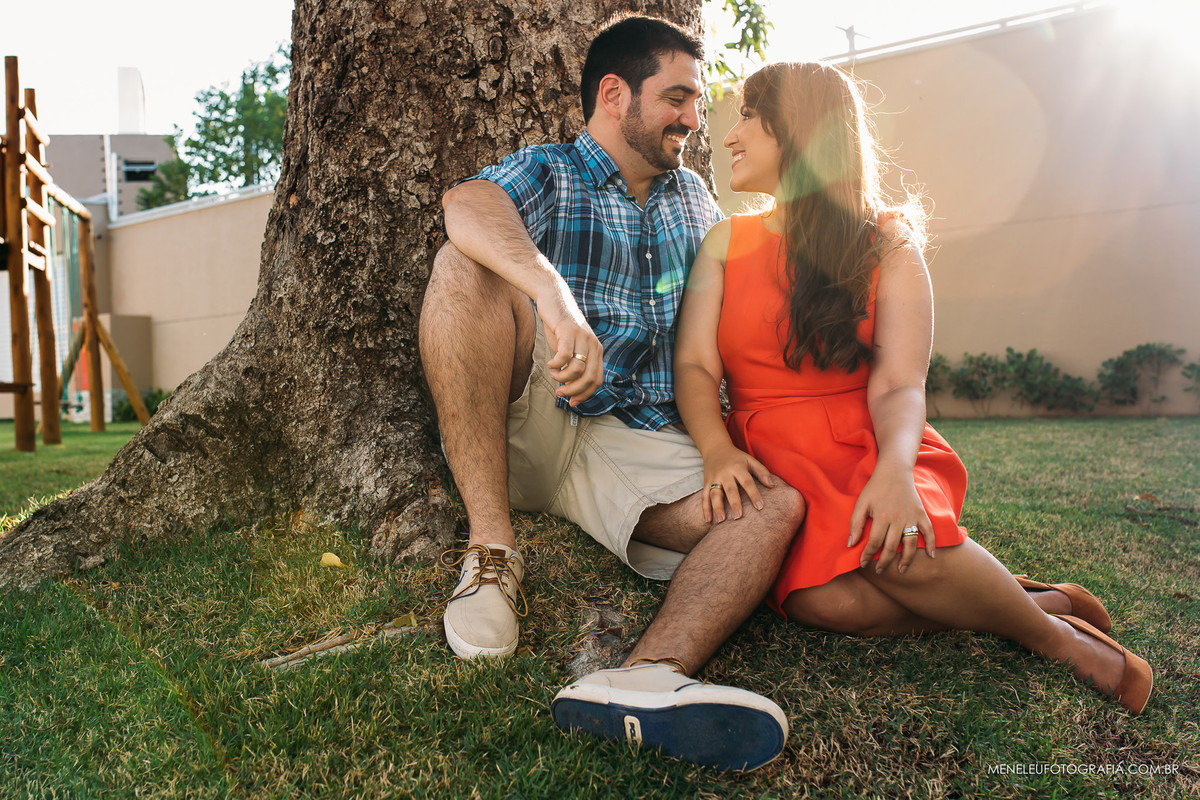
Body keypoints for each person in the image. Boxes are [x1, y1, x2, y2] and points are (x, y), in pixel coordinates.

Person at [673, 61, 1152, 714]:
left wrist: (895, 470)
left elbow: (899, 383)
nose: (731, 134)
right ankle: (1028, 600)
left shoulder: (887, 243)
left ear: (801, 129)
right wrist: (716, 451)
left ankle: (1057, 639)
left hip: (868, 439)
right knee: (825, 604)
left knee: (899, 552)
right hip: (771, 457)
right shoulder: (724, 242)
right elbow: (696, 367)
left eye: (750, 116)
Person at [419, 16, 806, 771]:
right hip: (533, 418)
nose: (694, 119)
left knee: (773, 507)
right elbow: (466, 205)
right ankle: (492, 551)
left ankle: (644, 679)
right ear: (614, 94)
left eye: (696, 103)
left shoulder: (695, 201)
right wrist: (556, 299)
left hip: (638, 446)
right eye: (677, 98)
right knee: (461, 268)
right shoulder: (553, 169)